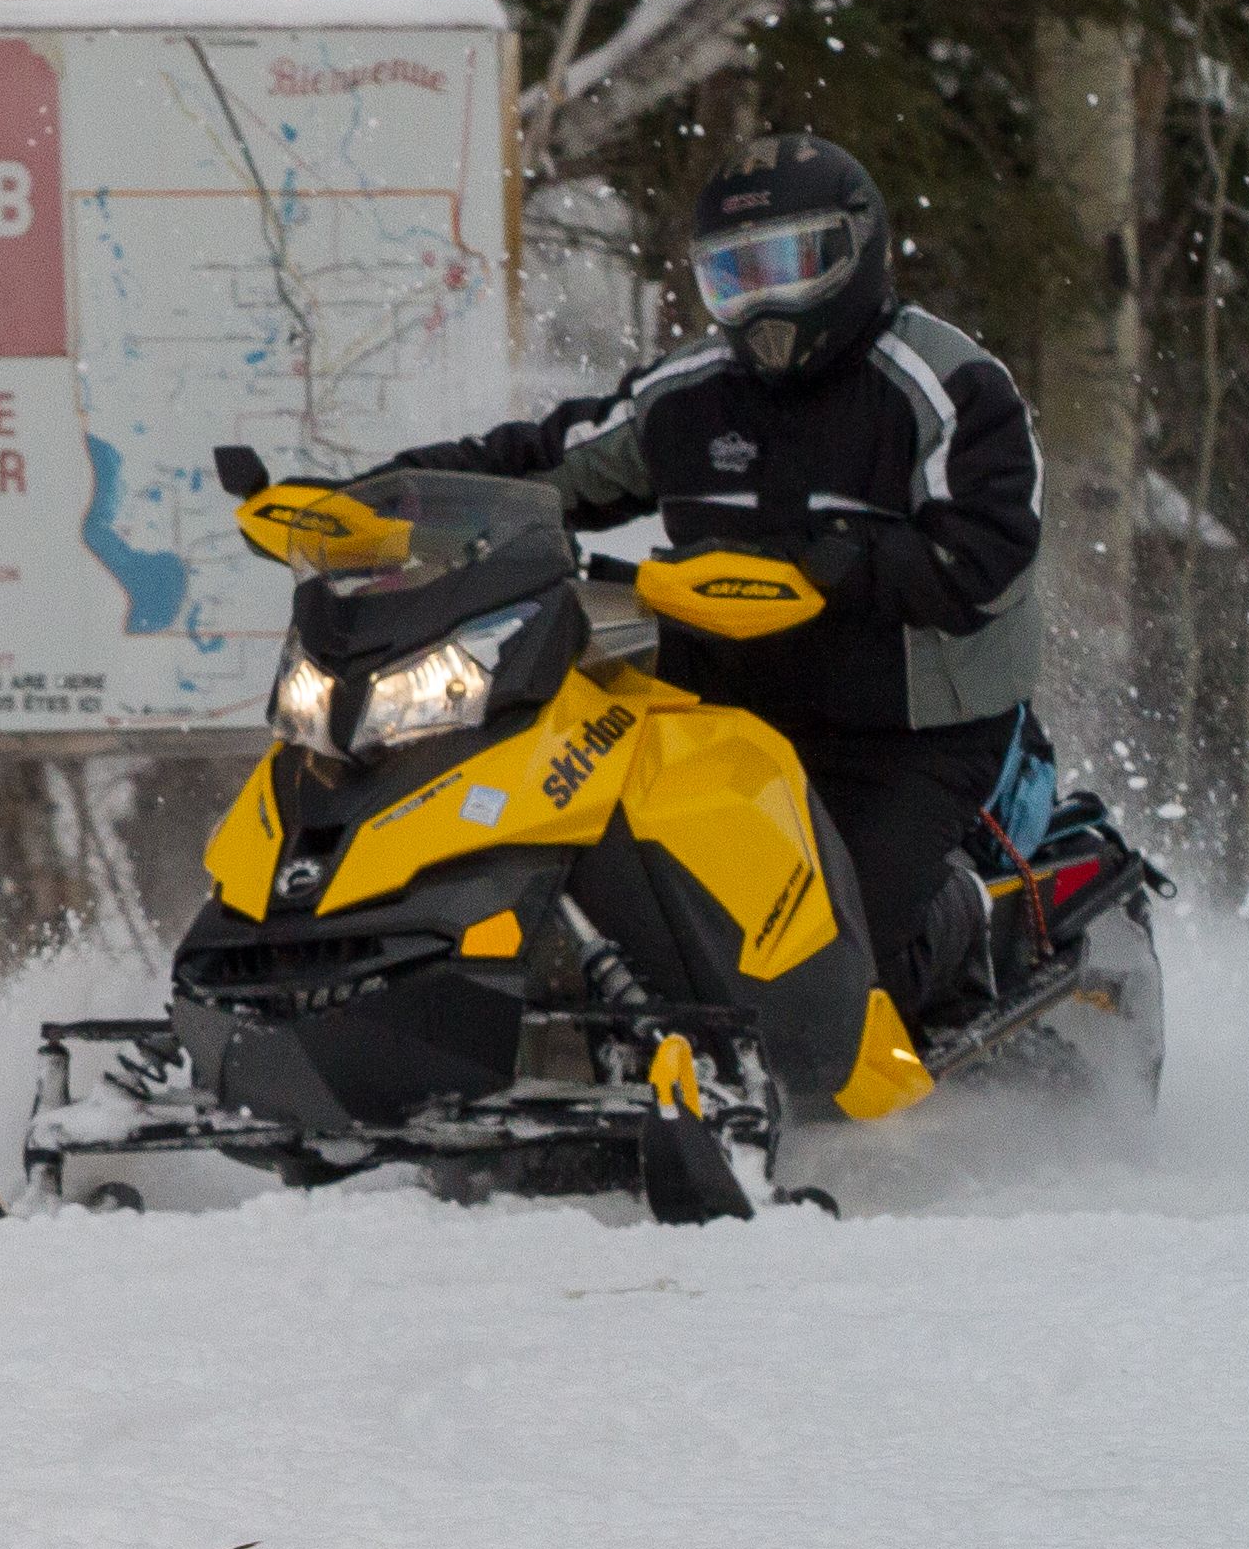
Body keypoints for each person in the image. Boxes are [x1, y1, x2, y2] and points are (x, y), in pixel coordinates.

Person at [384, 131, 1042, 1015]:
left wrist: (846, 558)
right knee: (621, 879)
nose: (764, 301)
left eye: (792, 264)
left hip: (909, 733)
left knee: (836, 962)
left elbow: (988, 560)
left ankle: (965, 910)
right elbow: (553, 461)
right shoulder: (689, 392)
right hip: (725, 711)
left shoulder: (945, 383)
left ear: (858, 250)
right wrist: (395, 501)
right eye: (735, 276)